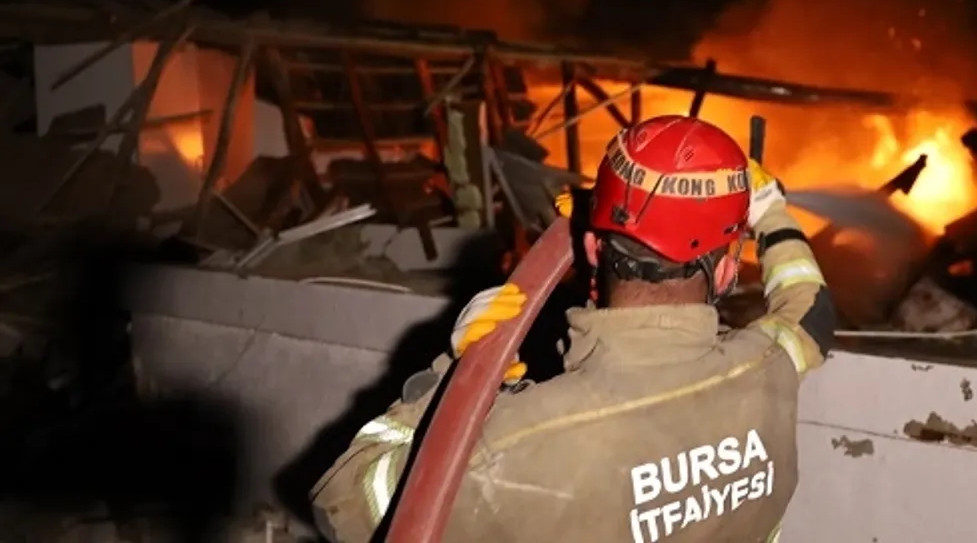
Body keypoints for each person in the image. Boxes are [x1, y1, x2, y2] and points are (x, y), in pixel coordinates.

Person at [310, 115, 836, 543]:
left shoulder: (511, 442)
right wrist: (771, 211)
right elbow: (811, 310)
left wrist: (454, 375)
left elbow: (345, 509)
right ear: (725, 271)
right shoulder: (769, 368)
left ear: (590, 248)